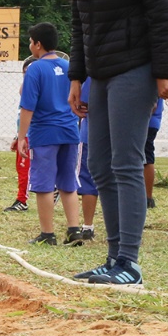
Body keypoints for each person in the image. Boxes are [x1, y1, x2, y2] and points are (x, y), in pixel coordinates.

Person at [66, 0, 168, 285]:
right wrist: (76, 76)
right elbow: (81, 24)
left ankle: (129, 263)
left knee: (125, 162)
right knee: (98, 163)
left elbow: (164, 12)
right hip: (100, 73)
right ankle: (113, 260)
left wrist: (163, 71)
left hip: (134, 69)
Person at [16, 23, 82, 247]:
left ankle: (47, 234)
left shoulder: (35, 69)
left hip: (44, 133)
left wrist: (22, 136)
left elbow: (28, 106)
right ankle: (75, 231)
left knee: (43, 184)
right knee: (68, 182)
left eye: (30, 41)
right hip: (70, 131)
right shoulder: (69, 66)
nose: (30, 45)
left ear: (38, 44)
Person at [4, 57, 36, 212]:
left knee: (25, 169)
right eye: (24, 74)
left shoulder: (36, 92)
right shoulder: (26, 92)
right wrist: (18, 136)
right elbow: (21, 118)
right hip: (24, 135)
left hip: (32, 136)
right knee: (21, 168)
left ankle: (22, 200)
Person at [76, 78, 99, 241]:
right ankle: (123, 229)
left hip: (92, 135)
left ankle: (88, 226)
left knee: (88, 181)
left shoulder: (94, 75)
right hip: (121, 138)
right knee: (121, 181)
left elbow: (81, 103)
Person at [144, 98, 164, 209]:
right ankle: (147, 197)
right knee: (146, 157)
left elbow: (152, 104)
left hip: (147, 121)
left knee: (146, 158)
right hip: (152, 121)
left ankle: (148, 198)